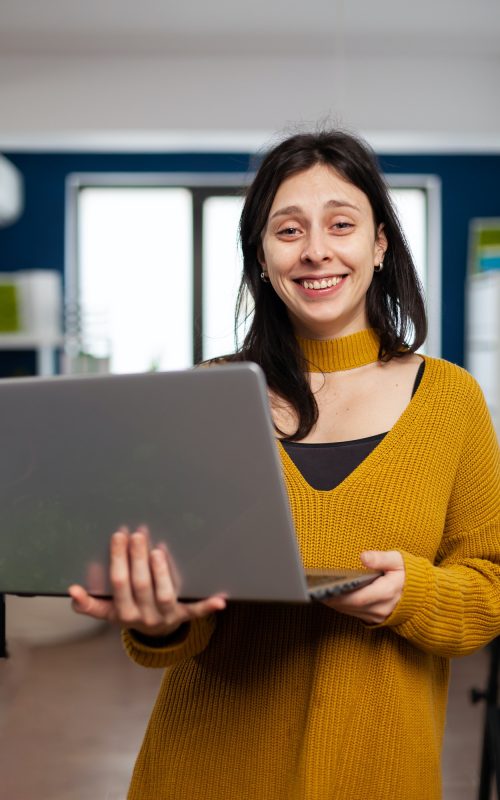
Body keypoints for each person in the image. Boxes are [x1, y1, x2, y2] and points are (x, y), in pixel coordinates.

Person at [69, 129, 500, 800]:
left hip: (375, 772)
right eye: (288, 230)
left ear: (380, 243)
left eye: (341, 224)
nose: (316, 250)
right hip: (204, 771)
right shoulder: (204, 399)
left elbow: (489, 588)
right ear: (262, 256)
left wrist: (410, 593)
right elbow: (184, 597)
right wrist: (161, 618)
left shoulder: (451, 400)